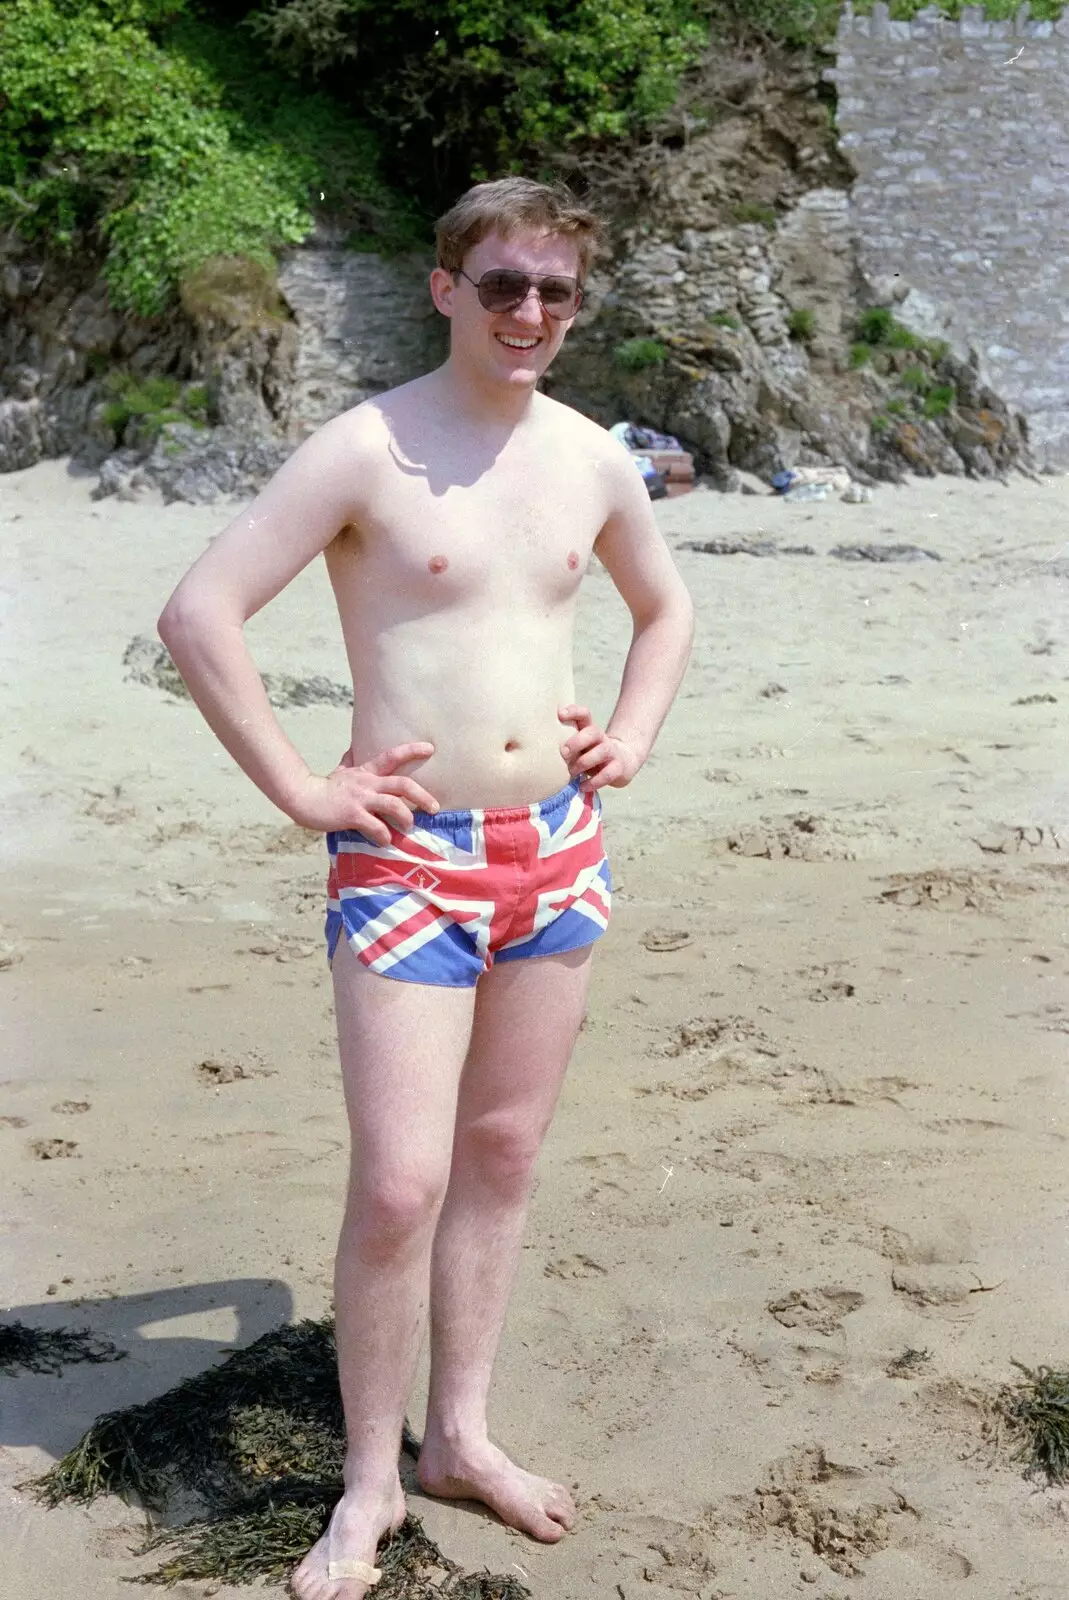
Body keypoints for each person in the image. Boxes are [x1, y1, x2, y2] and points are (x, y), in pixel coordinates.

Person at [158, 176, 694, 1599]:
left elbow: (666, 607)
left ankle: (459, 1436)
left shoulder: (590, 458)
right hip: (405, 859)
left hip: (556, 855)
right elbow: (200, 612)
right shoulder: (365, 451)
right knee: (402, 1181)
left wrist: (630, 732)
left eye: (556, 292)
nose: (529, 312)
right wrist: (300, 786)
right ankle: (370, 1484)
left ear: (577, 308)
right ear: (446, 286)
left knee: (503, 1157)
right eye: (504, 284)